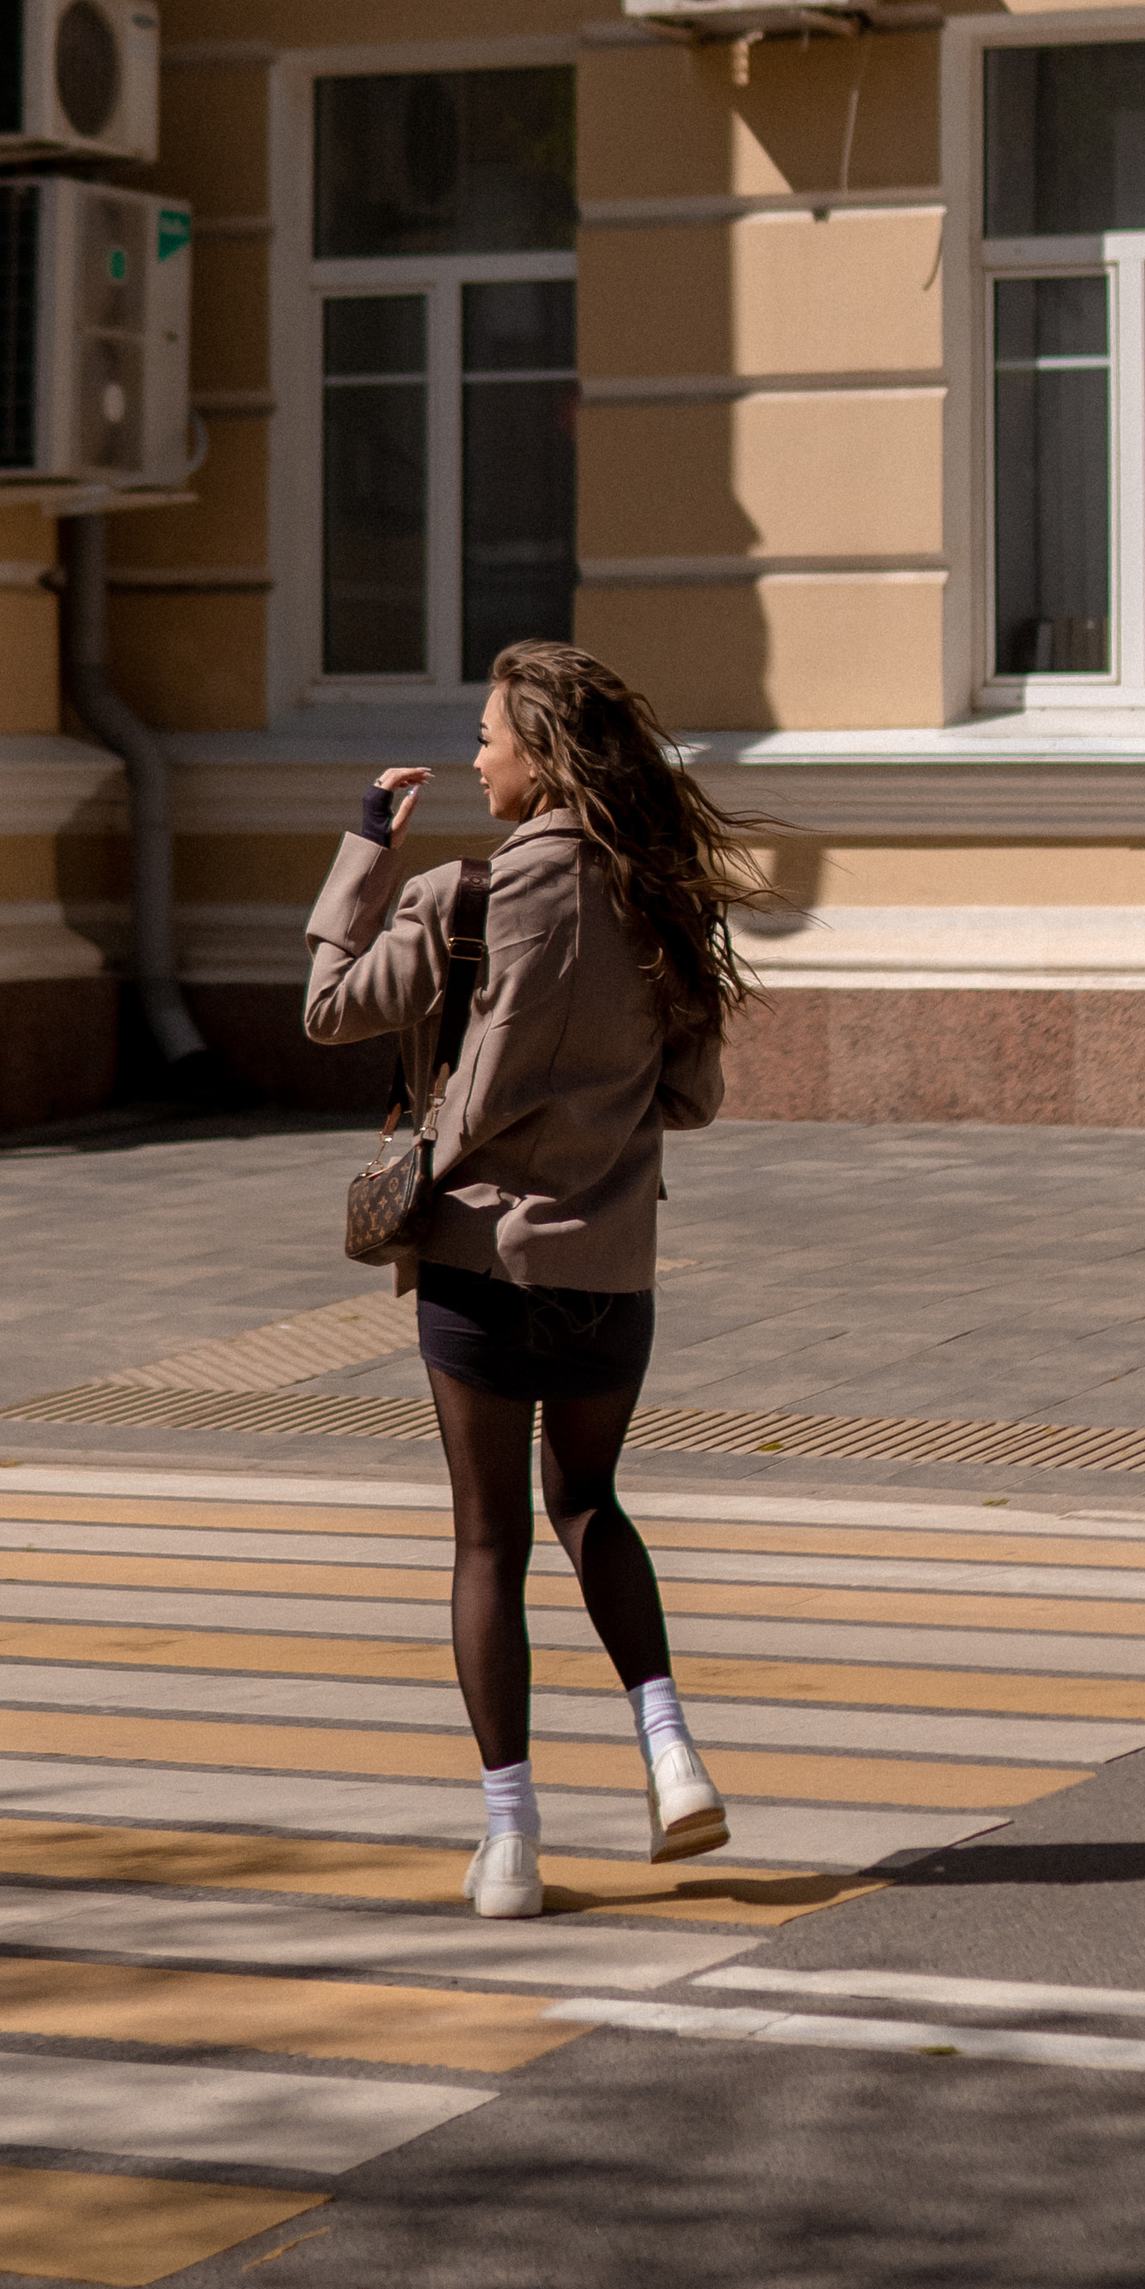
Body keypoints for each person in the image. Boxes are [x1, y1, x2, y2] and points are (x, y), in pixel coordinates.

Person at [303, 640, 760, 1919]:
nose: (475, 753)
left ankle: (509, 1843)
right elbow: (698, 1095)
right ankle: (671, 1756)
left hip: (473, 1267)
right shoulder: (656, 901)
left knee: (487, 1540)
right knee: (593, 1503)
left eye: (491, 733)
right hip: (611, 1267)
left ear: (543, 755)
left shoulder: (460, 899)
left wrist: (365, 853)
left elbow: (328, 1007)